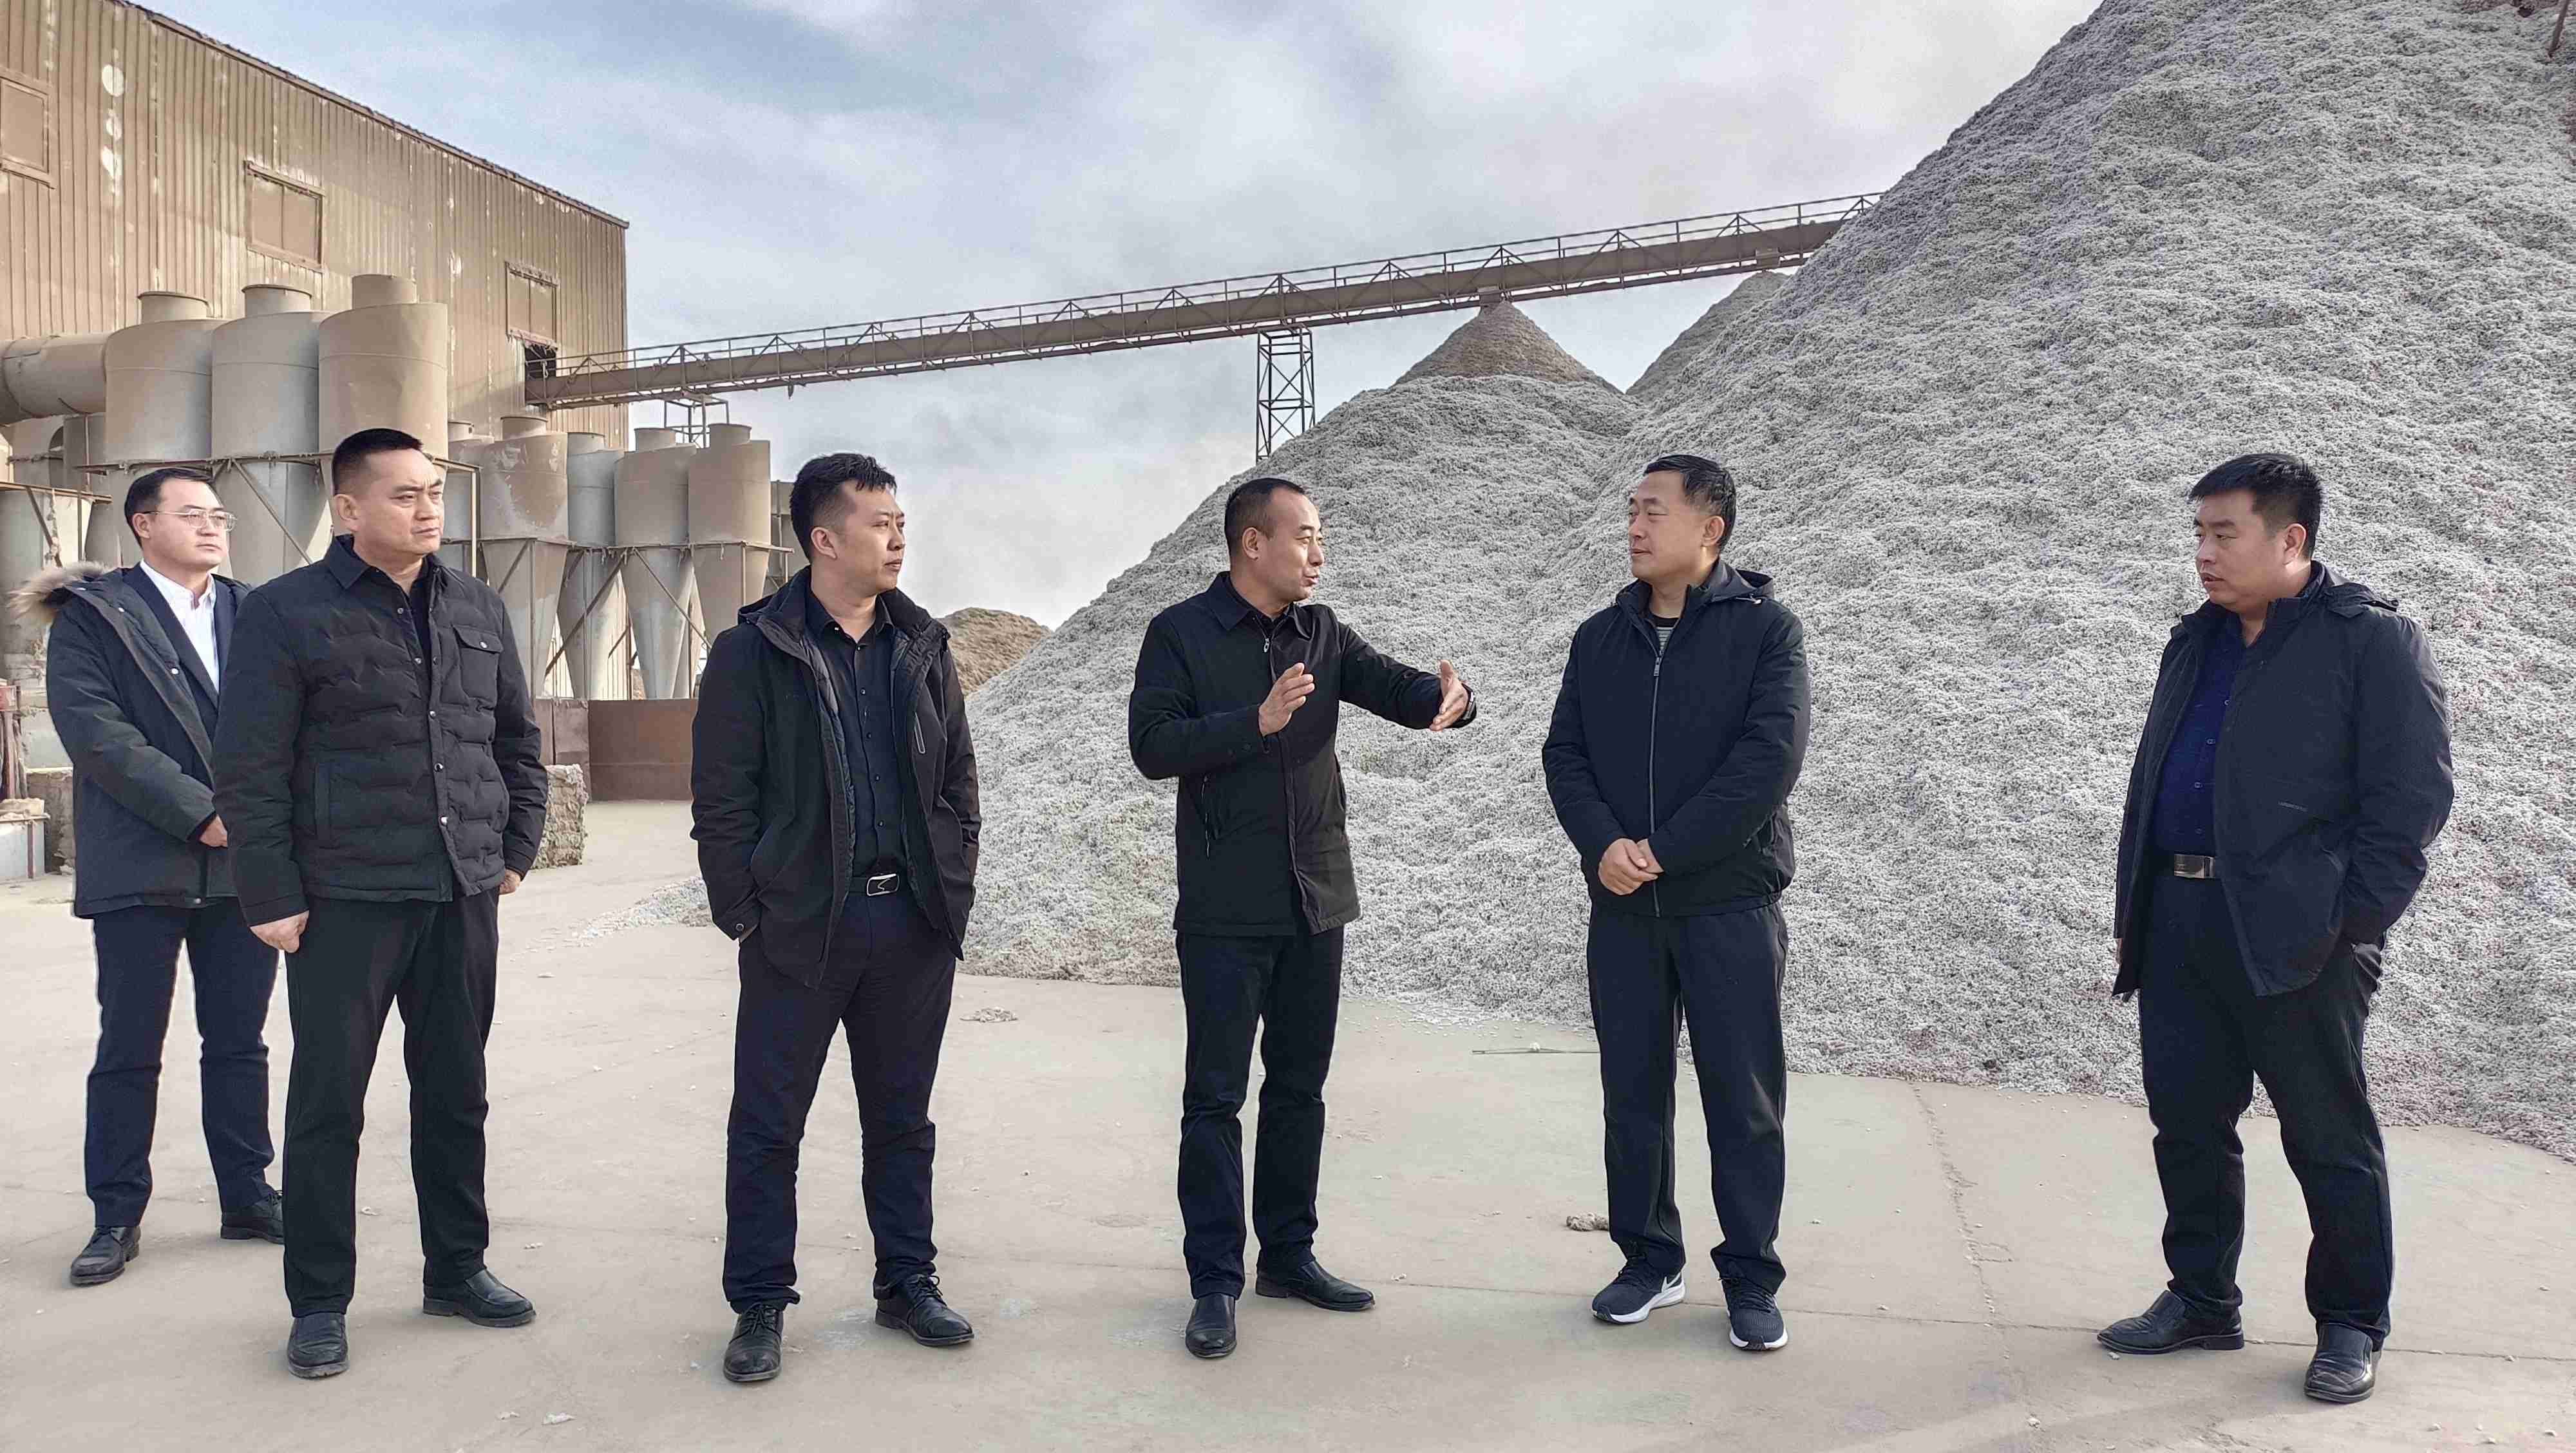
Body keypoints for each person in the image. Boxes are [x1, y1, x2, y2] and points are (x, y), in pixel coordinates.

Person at [2096, 453, 2450, 1406]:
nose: (2204, 553)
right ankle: (2202, 1299)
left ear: (2291, 539)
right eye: (2198, 533)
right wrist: (2138, 910)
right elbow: (2154, 777)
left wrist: (2350, 926)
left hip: (2301, 936)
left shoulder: (2372, 642)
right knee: (2187, 1125)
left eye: (2226, 533)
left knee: (2327, 1136)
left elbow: (2410, 803)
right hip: (2179, 918)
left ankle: (2350, 1323)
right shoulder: (2196, 639)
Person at [212, 428, 548, 1380]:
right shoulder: (287, 612)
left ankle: (458, 1269)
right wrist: (270, 893)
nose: (428, 508)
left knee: (456, 1092)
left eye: (433, 491)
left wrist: (514, 847)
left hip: (458, 891)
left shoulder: (476, 605)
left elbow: (515, 739)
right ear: (348, 508)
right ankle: (319, 1302)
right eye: (405, 495)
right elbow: (249, 764)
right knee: (329, 1105)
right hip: (344, 897)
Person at [1128, 475, 1475, 1360]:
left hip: (1316, 898)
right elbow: (1152, 746)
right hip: (1224, 907)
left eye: (1320, 538)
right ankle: (1214, 1281)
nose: (1319, 554)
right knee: (1214, 1098)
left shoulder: (1321, 632)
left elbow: (1393, 687)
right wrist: (1254, 721)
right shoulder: (1180, 634)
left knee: (1298, 1089)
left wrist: (1450, 701)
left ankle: (1287, 1256)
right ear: (1254, 543)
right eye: (1306, 537)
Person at [690, 451, 982, 1386]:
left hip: (911, 926)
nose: (897, 539)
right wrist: (747, 914)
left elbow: (958, 780)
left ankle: (907, 1282)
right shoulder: (753, 652)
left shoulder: (922, 645)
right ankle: (759, 1304)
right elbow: (722, 801)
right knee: (768, 1125)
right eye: (879, 524)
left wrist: (954, 883)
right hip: (801, 930)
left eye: (901, 523)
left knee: (902, 1120)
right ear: (823, 539)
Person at [1541, 453, 1809, 1351]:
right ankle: (1649, 1258)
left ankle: (1751, 1275)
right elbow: (1565, 755)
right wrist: (1604, 846)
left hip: (1729, 906)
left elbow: (1766, 764)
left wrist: (1663, 850)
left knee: (1744, 1100)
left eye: (1654, 511)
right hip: (1624, 910)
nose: (1635, 527)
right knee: (1632, 1095)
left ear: (1711, 528)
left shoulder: (1766, 632)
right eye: (1631, 510)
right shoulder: (1599, 638)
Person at [16, 468, 282, 1287]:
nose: (212, 527)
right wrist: (202, 812)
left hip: (242, 865)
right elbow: (96, 733)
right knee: (129, 1046)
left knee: (239, 1042)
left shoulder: (253, 611)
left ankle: (248, 1195)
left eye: (220, 516)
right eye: (192, 514)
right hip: (142, 858)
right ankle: (116, 1215)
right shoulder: (94, 616)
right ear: (141, 524)